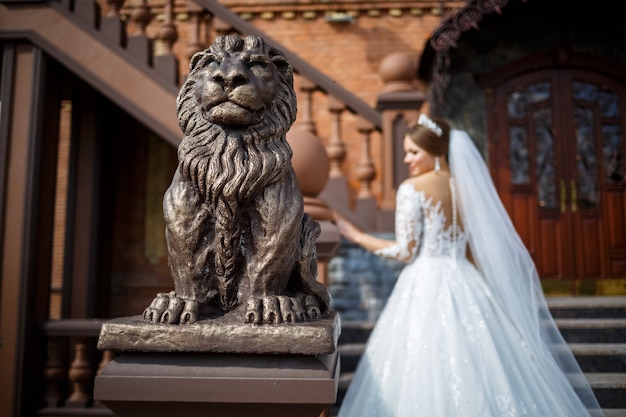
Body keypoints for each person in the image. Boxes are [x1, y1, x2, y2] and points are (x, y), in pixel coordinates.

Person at [334, 114, 604, 417]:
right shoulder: (467, 187)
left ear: (435, 151)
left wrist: (357, 236)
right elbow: (476, 245)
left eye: (413, 152)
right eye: (406, 152)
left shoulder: (412, 188)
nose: (407, 159)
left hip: (427, 279)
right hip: (465, 276)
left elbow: (405, 251)